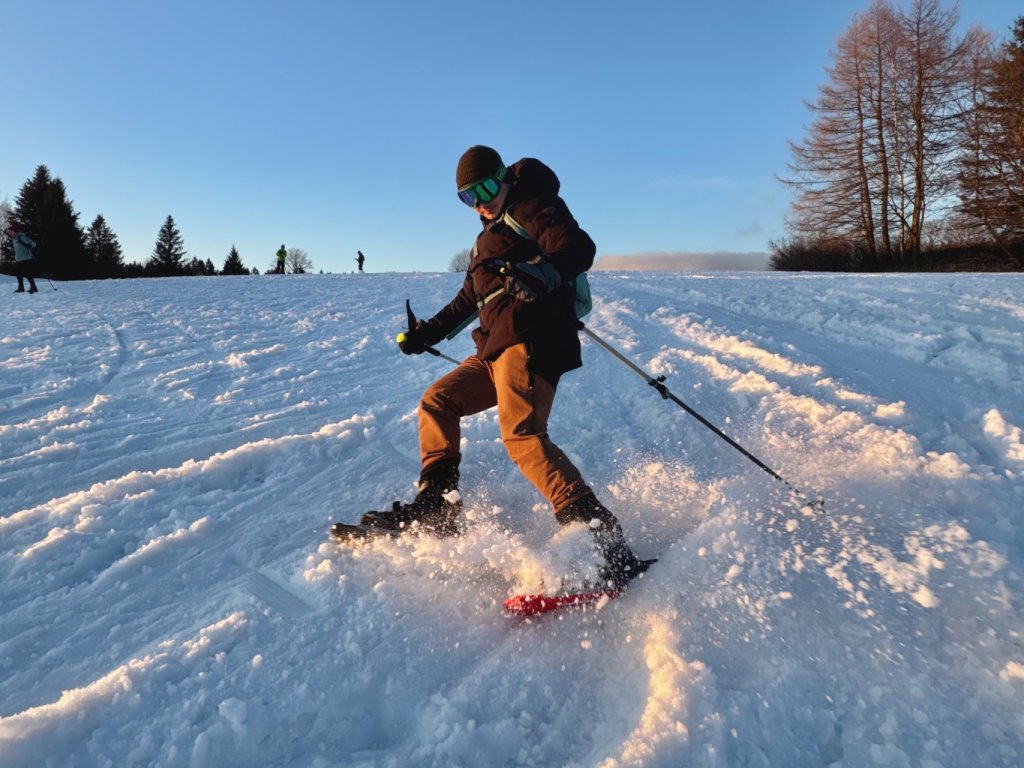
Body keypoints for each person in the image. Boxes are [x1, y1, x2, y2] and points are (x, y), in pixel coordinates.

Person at [340, 145, 649, 588]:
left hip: (531, 337)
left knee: (521, 434)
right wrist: (426, 334)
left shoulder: (532, 204)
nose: (480, 203)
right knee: (439, 401)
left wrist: (543, 273)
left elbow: (577, 246)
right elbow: (468, 300)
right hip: (494, 349)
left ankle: (603, 540)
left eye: (485, 189)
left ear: (503, 177)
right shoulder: (484, 241)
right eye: (468, 197)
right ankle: (438, 507)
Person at [6, 224, 39, 294]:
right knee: (18, 274)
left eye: (10, 231)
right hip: (19, 259)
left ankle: (34, 287)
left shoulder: (21, 237)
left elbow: (33, 243)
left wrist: (29, 246)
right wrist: (12, 250)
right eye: (9, 231)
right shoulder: (14, 239)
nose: (9, 232)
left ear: (14, 231)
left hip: (26, 258)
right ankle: (21, 288)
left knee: (28, 273)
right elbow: (17, 248)